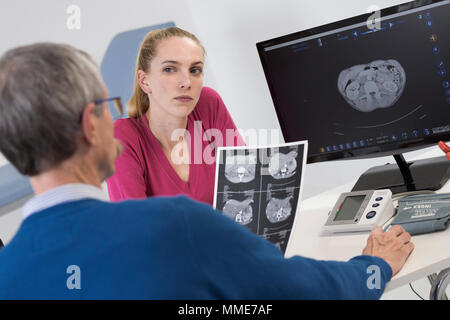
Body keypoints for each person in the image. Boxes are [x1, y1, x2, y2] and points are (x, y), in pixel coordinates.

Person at [0, 42, 414, 299]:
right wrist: (373, 268)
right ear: (91, 124)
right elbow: (301, 290)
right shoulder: (173, 223)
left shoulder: (8, 275)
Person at [106, 27, 245, 205]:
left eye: (195, 70)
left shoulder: (208, 103)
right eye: (170, 69)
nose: (186, 82)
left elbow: (247, 189)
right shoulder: (123, 136)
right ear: (144, 81)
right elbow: (136, 226)